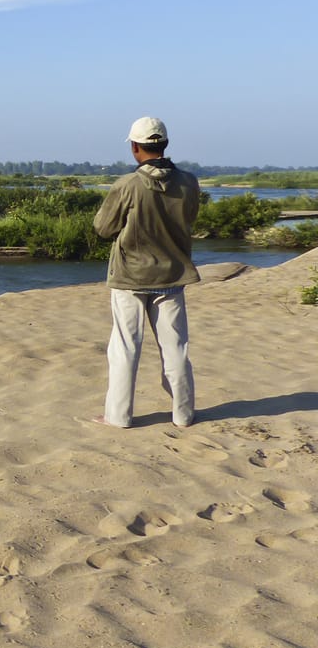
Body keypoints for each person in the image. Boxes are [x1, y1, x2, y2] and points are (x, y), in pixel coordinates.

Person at [93, 117, 201, 428]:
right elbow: (190, 217)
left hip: (130, 277)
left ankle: (118, 416)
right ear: (164, 145)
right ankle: (183, 414)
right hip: (173, 274)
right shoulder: (189, 182)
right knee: (176, 348)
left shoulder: (127, 185)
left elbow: (103, 228)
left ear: (135, 147)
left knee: (125, 347)